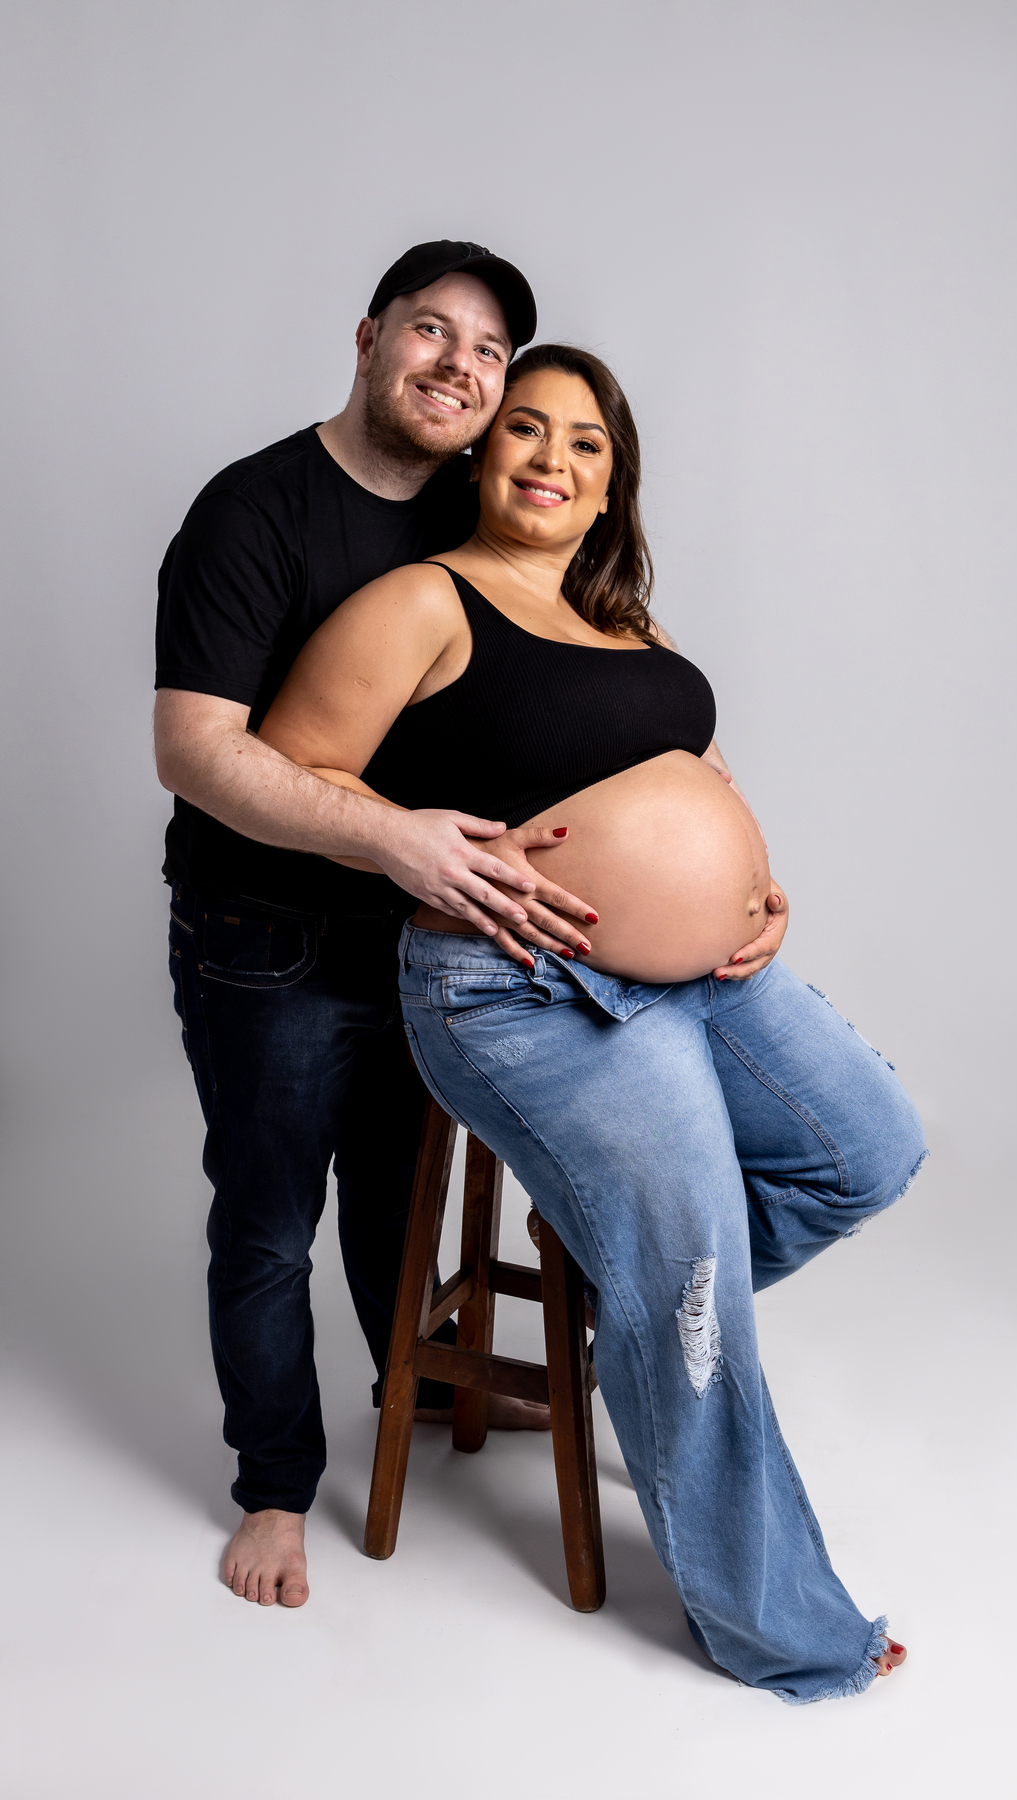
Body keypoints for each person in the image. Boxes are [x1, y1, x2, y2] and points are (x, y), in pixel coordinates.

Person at [257, 343, 925, 1701]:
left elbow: (698, 784)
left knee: (866, 1149)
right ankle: (782, 1628)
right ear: (479, 453)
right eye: (525, 429)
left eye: (585, 442)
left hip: (700, 976)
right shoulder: (426, 600)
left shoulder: (633, 629)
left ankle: (635, 1317)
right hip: (513, 984)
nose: (551, 459)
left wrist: (755, 887)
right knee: (691, 1280)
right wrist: (422, 844)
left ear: (613, 483)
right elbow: (290, 765)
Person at [154, 242, 610, 1611]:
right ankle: (276, 1487)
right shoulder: (254, 511)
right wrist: (392, 835)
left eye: (489, 355)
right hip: (269, 934)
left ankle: (414, 1387)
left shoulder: (483, 512)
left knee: (398, 1207)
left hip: (429, 940)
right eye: (431, 332)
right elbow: (195, 750)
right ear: (368, 341)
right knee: (270, 1223)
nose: (459, 369)